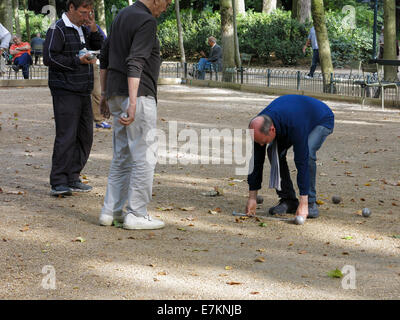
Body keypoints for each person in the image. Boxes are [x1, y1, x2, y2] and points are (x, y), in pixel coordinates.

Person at [98, 0, 172, 230]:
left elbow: (105, 55)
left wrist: (104, 94)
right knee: (144, 155)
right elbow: (136, 61)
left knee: (122, 155)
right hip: (137, 96)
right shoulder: (147, 20)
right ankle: (137, 213)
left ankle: (111, 211)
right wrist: (133, 101)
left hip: (115, 93)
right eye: (167, 2)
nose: (167, 7)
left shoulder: (122, 15)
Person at [43, 0, 104, 196]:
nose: (86, 16)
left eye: (90, 13)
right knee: (66, 135)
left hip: (83, 89)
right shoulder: (57, 28)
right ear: (71, 8)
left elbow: (101, 45)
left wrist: (93, 29)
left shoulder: (84, 28)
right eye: (83, 12)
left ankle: (73, 176)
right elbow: (49, 58)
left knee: (85, 135)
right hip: (65, 90)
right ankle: (58, 181)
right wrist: (76, 61)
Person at [245, 95, 334, 221]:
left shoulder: (295, 125)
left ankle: (310, 203)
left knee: (307, 154)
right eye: (259, 142)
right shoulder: (258, 127)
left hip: (321, 119)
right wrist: (252, 198)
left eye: (263, 141)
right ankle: (288, 199)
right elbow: (256, 161)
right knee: (273, 152)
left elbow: (301, 161)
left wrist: (303, 202)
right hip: (292, 117)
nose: (261, 145)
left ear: (272, 129)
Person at [90, 24, 111, 129]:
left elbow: (104, 42)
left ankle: (99, 119)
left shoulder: (94, 26)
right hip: (74, 66)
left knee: (97, 92)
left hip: (91, 63)